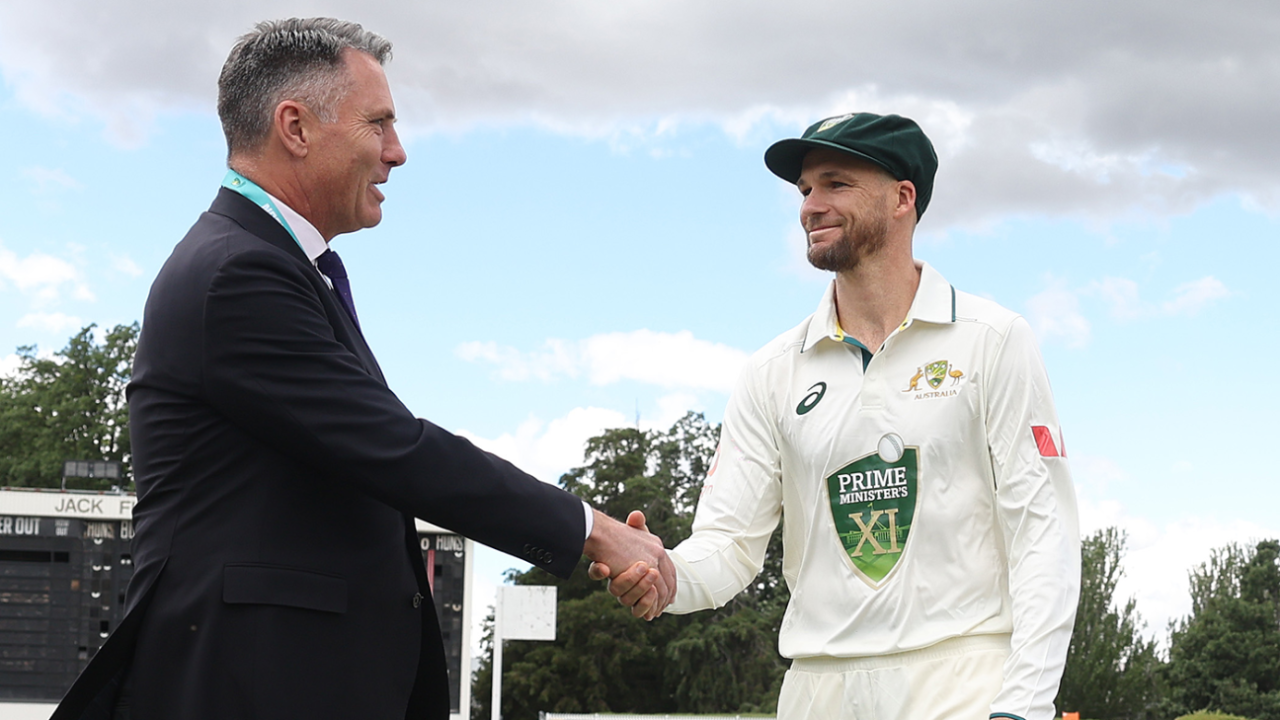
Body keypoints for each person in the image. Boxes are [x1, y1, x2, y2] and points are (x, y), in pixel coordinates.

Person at [52, 17, 671, 720]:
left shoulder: (273, 268)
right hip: (250, 687)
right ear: (296, 126)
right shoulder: (237, 273)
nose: (397, 152)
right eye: (378, 123)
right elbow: (394, 449)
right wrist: (594, 529)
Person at [594, 113, 1080, 720]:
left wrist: (1024, 705)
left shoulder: (993, 339)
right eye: (804, 191)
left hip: (963, 684)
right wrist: (667, 576)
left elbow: (1043, 534)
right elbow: (728, 547)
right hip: (817, 690)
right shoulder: (771, 370)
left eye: (835, 184)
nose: (810, 206)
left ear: (903, 197)